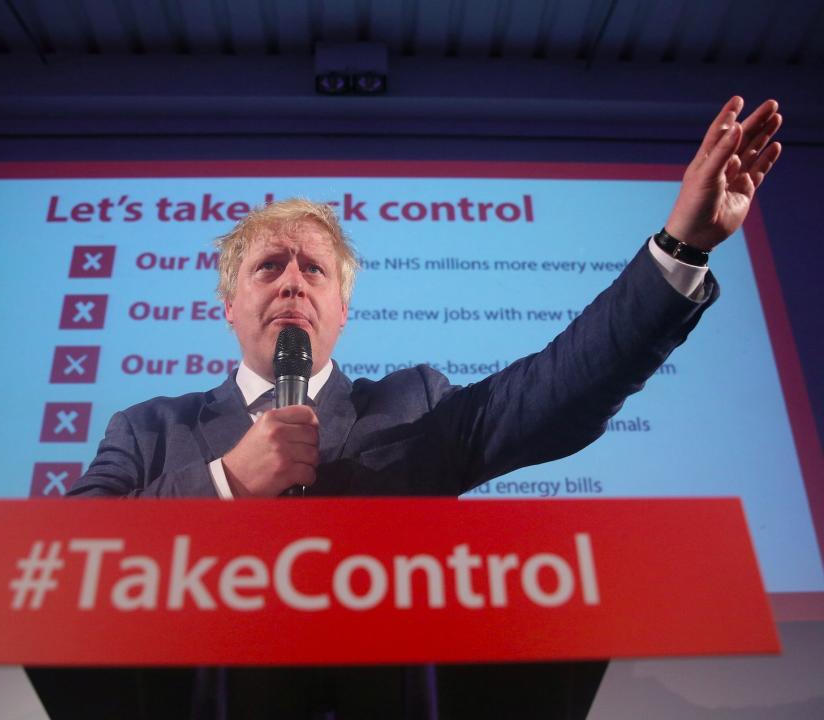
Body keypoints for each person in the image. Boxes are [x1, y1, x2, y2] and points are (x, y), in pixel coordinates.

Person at [60, 97, 783, 719]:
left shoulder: (415, 406)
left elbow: (562, 385)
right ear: (228, 305)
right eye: (268, 267)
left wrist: (681, 248)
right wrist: (226, 484)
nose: (292, 283)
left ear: (342, 309)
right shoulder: (149, 429)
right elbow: (57, 567)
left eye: (313, 269)